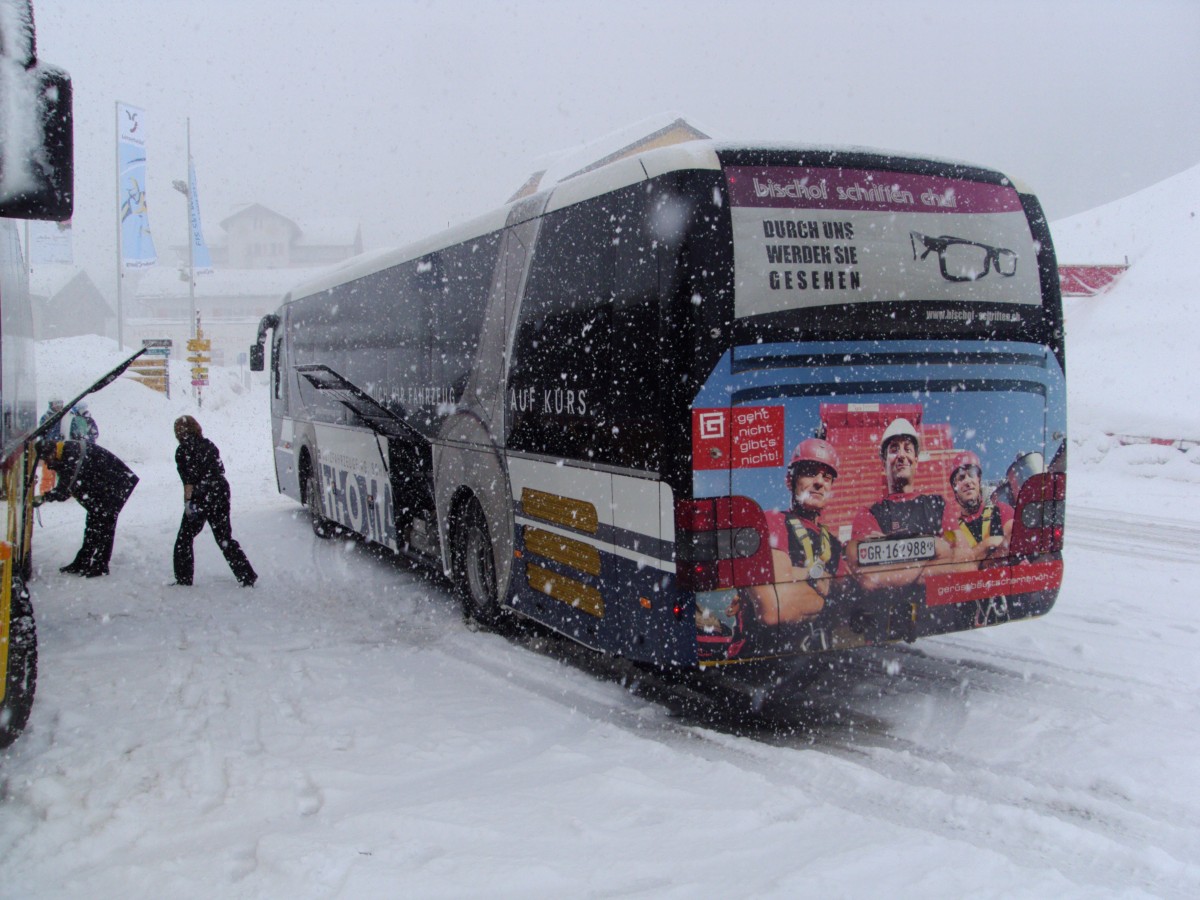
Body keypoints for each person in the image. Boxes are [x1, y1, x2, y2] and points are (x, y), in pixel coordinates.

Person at [740, 438, 848, 626]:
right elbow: (776, 606)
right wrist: (819, 580)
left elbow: (850, 594)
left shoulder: (835, 544)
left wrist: (797, 575)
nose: (819, 482)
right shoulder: (772, 521)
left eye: (826, 477)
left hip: (820, 651)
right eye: (810, 473)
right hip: (769, 650)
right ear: (791, 480)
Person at [847, 417, 951, 594]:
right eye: (894, 449)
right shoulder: (868, 514)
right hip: (890, 617)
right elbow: (869, 577)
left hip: (940, 615)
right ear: (884, 462)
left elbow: (963, 558)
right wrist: (934, 547)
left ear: (916, 460)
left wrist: (888, 546)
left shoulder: (939, 505)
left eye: (907, 449)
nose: (902, 455)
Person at [34, 438, 139, 577]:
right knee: (93, 523)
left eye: (47, 459)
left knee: (105, 524)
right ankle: (82, 561)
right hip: (104, 486)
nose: (47, 464)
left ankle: (100, 566)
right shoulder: (65, 453)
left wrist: (43, 498)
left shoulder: (72, 455)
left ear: (52, 451)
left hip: (117, 484)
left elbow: (64, 490)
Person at [172, 415, 256, 587]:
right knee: (224, 537)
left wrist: (188, 503)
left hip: (200, 496)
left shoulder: (182, 451)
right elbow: (219, 469)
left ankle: (184, 578)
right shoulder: (209, 445)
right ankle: (247, 575)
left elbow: (188, 482)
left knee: (184, 538)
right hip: (220, 491)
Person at [943, 450, 1014, 568]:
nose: (967, 481)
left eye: (971, 474)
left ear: (979, 480)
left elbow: (1013, 545)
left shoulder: (1002, 511)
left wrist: (976, 560)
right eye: (961, 478)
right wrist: (987, 544)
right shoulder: (952, 531)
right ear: (954, 488)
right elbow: (952, 567)